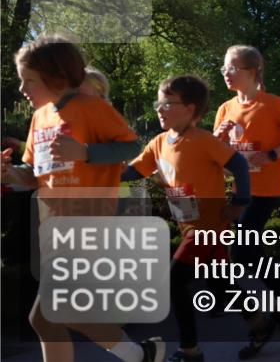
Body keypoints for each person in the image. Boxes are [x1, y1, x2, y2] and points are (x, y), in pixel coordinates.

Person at [0, 36, 164, 362]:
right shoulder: (39, 118)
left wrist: (86, 152)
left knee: (49, 314)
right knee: (54, 317)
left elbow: (132, 146)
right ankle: (141, 354)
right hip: (52, 229)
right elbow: (34, 173)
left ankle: (141, 354)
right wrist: (9, 174)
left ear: (57, 77)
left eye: (28, 81)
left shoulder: (92, 108)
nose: (22, 89)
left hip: (87, 226)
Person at [123, 75, 250, 362]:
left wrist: (240, 203)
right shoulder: (157, 143)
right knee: (219, 284)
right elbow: (133, 172)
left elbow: (239, 165)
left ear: (190, 109)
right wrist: (97, 170)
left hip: (209, 227)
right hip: (189, 225)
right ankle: (259, 322)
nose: (159, 108)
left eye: (167, 103)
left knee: (175, 281)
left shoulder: (202, 139)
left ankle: (190, 350)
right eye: (159, 103)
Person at [212, 45, 280, 357]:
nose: (226, 72)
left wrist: (273, 154)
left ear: (252, 71)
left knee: (241, 255)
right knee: (248, 253)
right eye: (224, 67)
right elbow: (217, 159)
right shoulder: (224, 109)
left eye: (232, 67)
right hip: (239, 191)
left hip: (264, 190)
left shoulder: (272, 103)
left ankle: (265, 319)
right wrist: (220, 142)